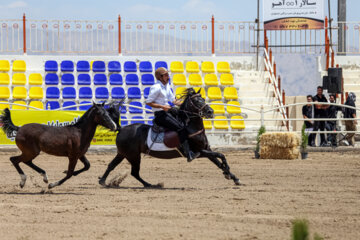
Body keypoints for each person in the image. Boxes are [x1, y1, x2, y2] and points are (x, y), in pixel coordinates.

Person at [146, 67, 200, 162]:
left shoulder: (167, 86)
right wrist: (162, 106)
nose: (168, 77)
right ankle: (188, 153)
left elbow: (173, 100)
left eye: (168, 75)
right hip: (160, 115)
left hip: (168, 111)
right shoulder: (156, 88)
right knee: (181, 128)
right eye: (166, 75)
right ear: (160, 77)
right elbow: (148, 102)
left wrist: (184, 103)